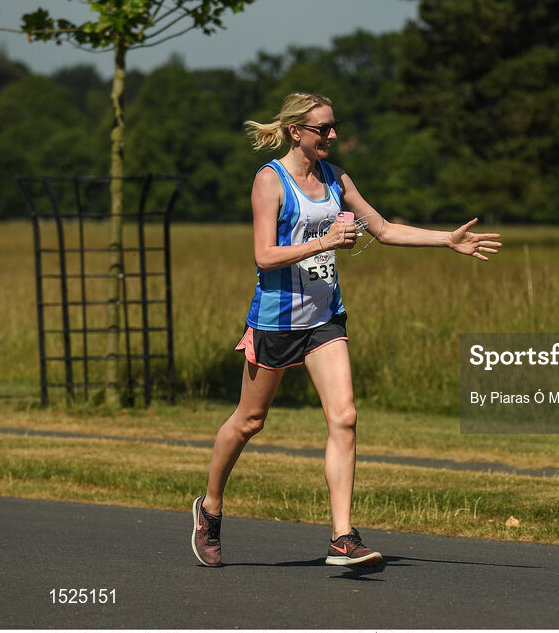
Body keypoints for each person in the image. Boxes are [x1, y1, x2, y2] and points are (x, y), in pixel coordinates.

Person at [191, 91, 501, 568]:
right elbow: (264, 256)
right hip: (276, 319)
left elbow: (384, 229)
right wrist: (328, 240)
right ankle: (210, 507)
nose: (333, 135)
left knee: (345, 417)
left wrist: (447, 240)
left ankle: (342, 536)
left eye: (334, 126)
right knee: (250, 421)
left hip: (325, 318)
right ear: (297, 132)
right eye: (323, 128)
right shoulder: (269, 181)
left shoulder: (336, 178)